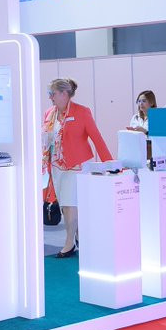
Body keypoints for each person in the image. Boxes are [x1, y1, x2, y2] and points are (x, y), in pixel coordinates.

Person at [43, 78, 113, 258]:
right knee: (66, 205)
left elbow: (97, 138)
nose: (50, 97)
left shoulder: (81, 112)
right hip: (56, 166)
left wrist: (110, 164)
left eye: (52, 93)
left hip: (76, 165)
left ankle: (69, 243)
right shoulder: (49, 114)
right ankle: (79, 237)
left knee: (69, 204)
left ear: (64, 94)